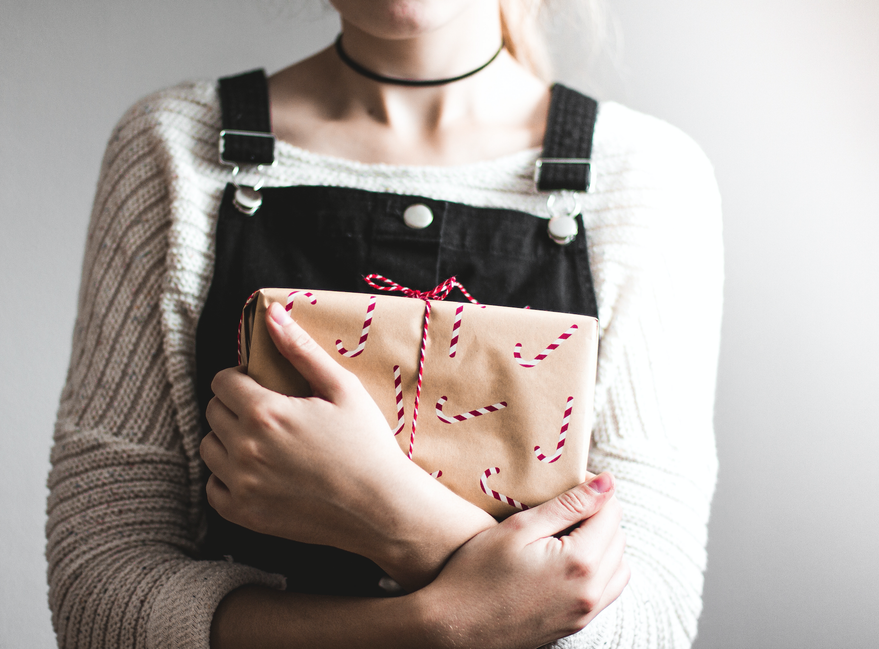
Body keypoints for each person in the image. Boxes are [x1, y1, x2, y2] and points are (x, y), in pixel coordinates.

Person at [46, 1, 723, 647]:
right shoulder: (175, 149)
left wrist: (386, 508)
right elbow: (97, 602)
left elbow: (650, 624)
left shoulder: (645, 179)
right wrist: (436, 625)